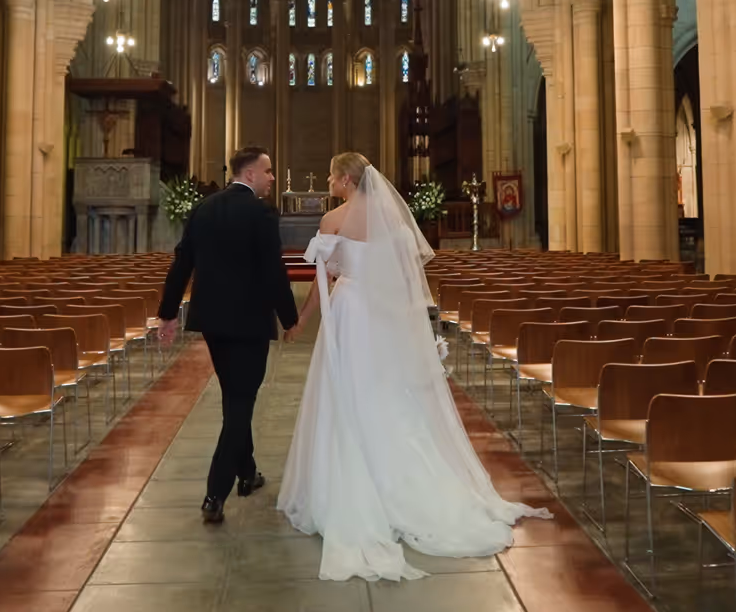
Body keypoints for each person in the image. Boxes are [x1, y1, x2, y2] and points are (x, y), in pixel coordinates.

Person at [278, 152, 551, 581]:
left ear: (347, 180)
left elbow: (322, 281)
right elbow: (409, 286)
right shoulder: (396, 225)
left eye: (332, 174)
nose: (329, 181)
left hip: (351, 314)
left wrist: (301, 322)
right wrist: (413, 331)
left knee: (349, 392)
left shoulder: (333, 221)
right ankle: (406, 481)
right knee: (391, 395)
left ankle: (351, 486)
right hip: (386, 318)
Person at [158, 146, 299, 525]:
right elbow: (274, 271)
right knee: (240, 404)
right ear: (250, 174)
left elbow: (181, 262)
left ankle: (248, 473)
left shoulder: (203, 208)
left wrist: (168, 313)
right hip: (249, 322)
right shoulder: (261, 213)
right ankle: (214, 494)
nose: (272, 177)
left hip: (213, 323)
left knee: (234, 397)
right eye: (268, 171)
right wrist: (290, 317)